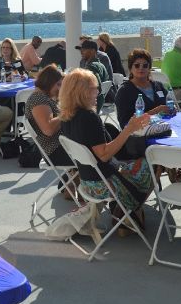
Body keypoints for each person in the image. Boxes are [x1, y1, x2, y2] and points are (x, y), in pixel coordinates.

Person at [60, 69, 152, 231]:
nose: (98, 92)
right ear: (83, 91)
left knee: (133, 162)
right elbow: (104, 155)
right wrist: (128, 130)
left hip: (87, 182)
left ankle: (125, 214)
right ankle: (130, 214)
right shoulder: (89, 118)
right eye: (95, 88)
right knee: (151, 164)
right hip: (104, 184)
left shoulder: (66, 117)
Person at [26, 65, 72, 166]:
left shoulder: (44, 97)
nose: (60, 89)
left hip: (62, 146)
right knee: (95, 151)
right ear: (49, 83)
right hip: (55, 151)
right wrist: (67, 111)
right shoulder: (38, 99)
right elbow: (48, 130)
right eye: (58, 85)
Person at [114, 49, 170, 128]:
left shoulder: (159, 86)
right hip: (139, 136)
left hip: (164, 130)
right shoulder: (124, 91)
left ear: (149, 67)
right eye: (137, 65)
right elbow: (124, 123)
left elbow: (169, 105)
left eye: (145, 65)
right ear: (130, 68)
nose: (141, 68)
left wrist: (171, 109)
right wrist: (154, 112)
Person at [77, 40, 110, 112]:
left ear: (92, 51)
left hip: (89, 106)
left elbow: (95, 86)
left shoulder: (91, 67)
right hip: (98, 103)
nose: (81, 52)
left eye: (84, 50)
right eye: (81, 50)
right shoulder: (101, 65)